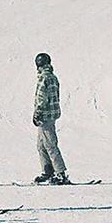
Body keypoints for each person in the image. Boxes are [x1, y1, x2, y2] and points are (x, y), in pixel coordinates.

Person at [30, 52, 70, 185]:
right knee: (41, 145)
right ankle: (47, 171)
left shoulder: (43, 78)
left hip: (45, 116)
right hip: (51, 115)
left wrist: (38, 112)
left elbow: (42, 98)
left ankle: (60, 173)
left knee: (50, 144)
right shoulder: (53, 77)